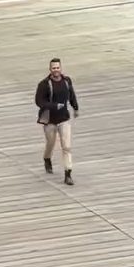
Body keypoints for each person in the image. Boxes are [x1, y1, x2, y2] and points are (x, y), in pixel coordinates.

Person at [35, 58, 79, 186]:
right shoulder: (44, 84)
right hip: (50, 120)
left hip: (64, 119)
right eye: (53, 68)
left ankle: (68, 174)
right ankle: (47, 158)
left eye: (57, 67)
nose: (56, 70)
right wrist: (54, 106)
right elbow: (39, 101)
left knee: (66, 147)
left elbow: (71, 95)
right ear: (50, 69)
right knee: (51, 143)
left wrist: (75, 107)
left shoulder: (66, 81)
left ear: (61, 68)